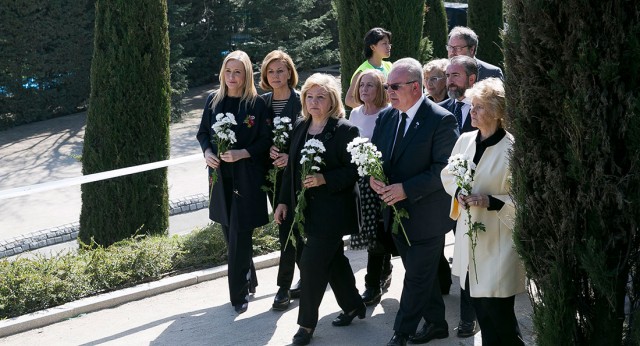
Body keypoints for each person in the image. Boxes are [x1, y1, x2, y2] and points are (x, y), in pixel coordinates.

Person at [369, 58, 458, 346]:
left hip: (427, 216)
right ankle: (437, 323)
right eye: (387, 86)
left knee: (416, 278)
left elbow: (444, 169)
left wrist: (406, 189)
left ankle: (401, 333)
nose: (389, 92)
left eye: (394, 86)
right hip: (396, 215)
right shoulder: (386, 117)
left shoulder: (441, 119)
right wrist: (374, 177)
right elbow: (378, 158)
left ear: (416, 88)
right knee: (423, 274)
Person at [274, 73, 365, 345]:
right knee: (334, 260)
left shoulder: (345, 130)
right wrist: (282, 202)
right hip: (305, 212)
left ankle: (306, 326)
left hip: (332, 212)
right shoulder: (300, 127)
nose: (314, 102)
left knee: (311, 265)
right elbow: (290, 169)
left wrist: (326, 178)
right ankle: (353, 305)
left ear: (332, 100)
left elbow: (354, 171)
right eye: (309, 97)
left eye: (320, 97)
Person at [440, 78, 526, 346]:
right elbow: (449, 174)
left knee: (498, 313)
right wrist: (459, 194)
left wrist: (492, 201)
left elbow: (525, 198)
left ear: (498, 112)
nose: (472, 112)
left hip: (499, 242)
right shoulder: (465, 140)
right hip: (470, 239)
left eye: (479, 107)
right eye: (472, 106)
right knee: (481, 310)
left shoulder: (513, 148)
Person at [196, 50, 271, 315]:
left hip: (246, 177)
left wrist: (242, 153)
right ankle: (249, 275)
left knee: (240, 232)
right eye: (228, 71)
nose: (232, 77)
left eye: (237, 72)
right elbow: (203, 133)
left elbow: (265, 140)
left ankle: (237, 294)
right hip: (219, 177)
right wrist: (207, 152)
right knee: (229, 231)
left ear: (247, 74)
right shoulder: (213, 101)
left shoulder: (256, 104)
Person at [438, 54, 479, 337]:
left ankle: (468, 317)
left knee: (468, 257)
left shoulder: (485, 112)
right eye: (447, 76)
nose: (448, 81)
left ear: (471, 79)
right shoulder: (440, 111)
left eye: (455, 76)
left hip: (475, 199)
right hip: (444, 194)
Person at [259, 50, 303, 311]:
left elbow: (312, 135)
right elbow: (253, 138)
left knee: (293, 228)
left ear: (289, 73)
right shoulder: (260, 103)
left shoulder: (301, 101)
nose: (275, 76)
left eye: (280, 70)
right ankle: (304, 277)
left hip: (296, 175)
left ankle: (284, 287)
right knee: (285, 227)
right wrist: (268, 150)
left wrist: (291, 156)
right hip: (270, 177)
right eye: (270, 71)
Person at [348, 69, 397, 306]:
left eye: (370, 85)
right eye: (361, 85)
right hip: (360, 183)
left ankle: (372, 284)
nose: (364, 90)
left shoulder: (388, 114)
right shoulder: (355, 113)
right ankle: (382, 272)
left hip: (381, 180)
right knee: (371, 233)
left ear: (380, 90)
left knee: (379, 232)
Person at [345, 27, 393, 109]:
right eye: (384, 43)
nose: (389, 47)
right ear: (373, 47)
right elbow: (349, 100)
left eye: (389, 43)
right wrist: (372, 110)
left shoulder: (390, 66)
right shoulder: (362, 71)